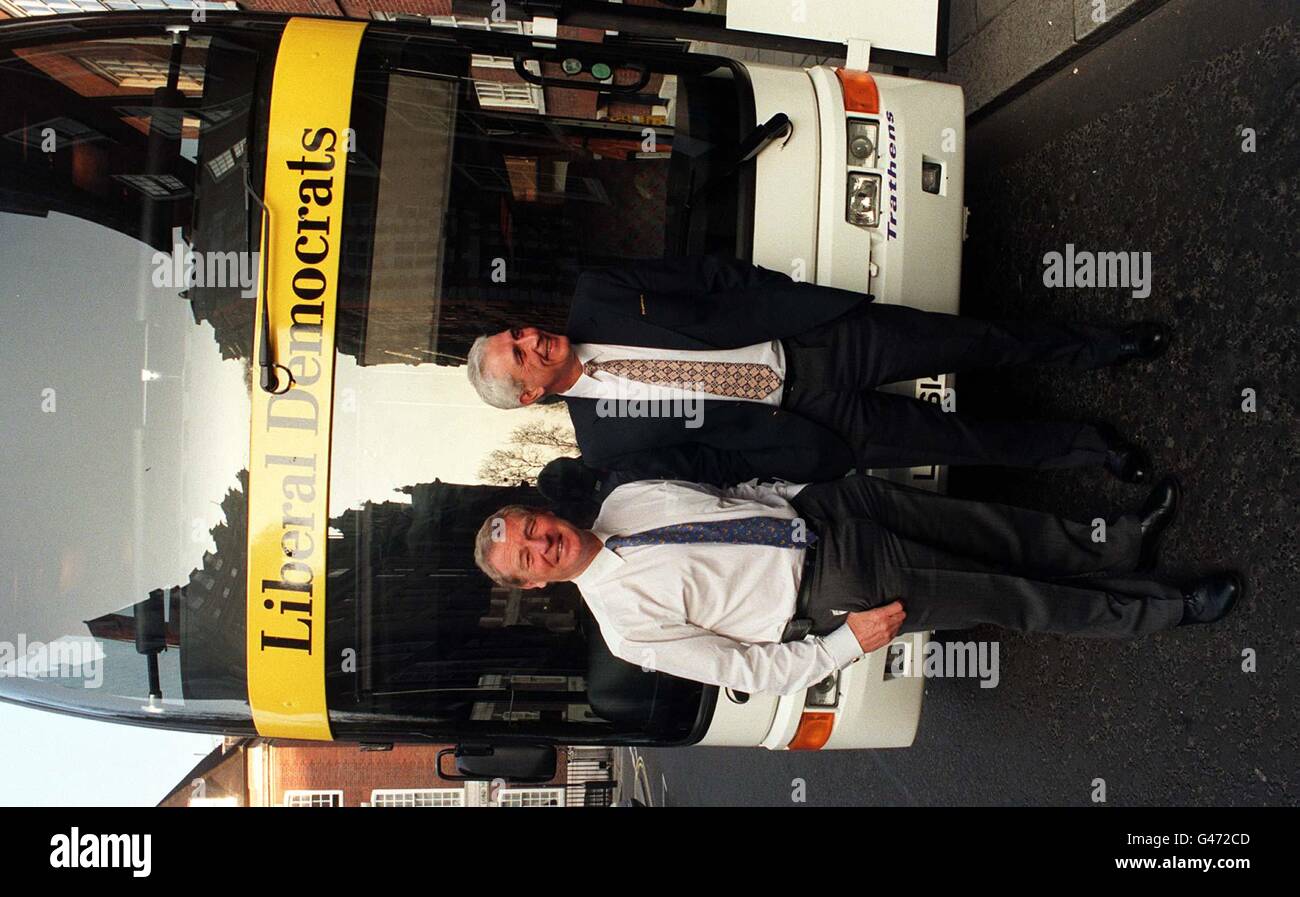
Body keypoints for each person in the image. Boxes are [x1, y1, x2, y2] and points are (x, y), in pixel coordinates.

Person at [472, 473, 1242, 696]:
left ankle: (1124, 541)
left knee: (996, 528)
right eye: (529, 559)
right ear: (534, 584)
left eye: (530, 529)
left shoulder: (624, 499)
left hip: (834, 510)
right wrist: (844, 642)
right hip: (836, 583)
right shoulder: (624, 626)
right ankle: (1170, 607)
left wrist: (805, 490)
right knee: (1012, 596)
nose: (542, 544)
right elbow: (745, 670)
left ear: (539, 512)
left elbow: (729, 500)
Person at [466, 254, 1168, 487]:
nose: (533, 338)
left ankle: (1108, 344)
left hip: (815, 340)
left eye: (518, 331)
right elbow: (704, 462)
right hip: (808, 424)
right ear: (529, 393)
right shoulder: (605, 444)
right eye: (521, 354)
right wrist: (777, 458)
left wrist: (776, 297)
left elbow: (708, 273)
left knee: (979, 339)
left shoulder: (599, 292)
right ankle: (1095, 449)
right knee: (964, 443)